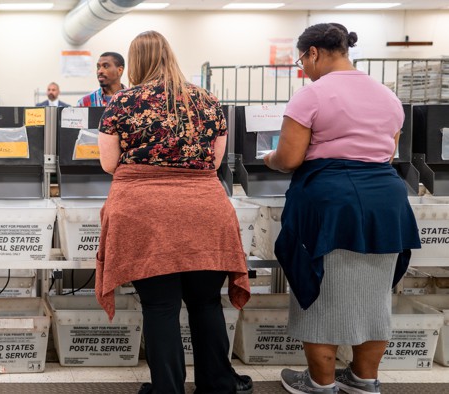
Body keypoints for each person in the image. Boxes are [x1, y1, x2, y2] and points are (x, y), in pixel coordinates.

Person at [263, 23, 420, 394]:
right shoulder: (388, 96)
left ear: (314, 52)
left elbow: (289, 159)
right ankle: (365, 380)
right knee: (374, 295)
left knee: (320, 291)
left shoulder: (311, 95)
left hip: (331, 202)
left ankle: (320, 383)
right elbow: (387, 153)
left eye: (302, 59)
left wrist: (269, 157)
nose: (303, 67)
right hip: (386, 201)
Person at [95, 30, 253, 394]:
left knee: (160, 306)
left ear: (133, 63)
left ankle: (168, 389)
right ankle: (217, 385)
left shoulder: (122, 103)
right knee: (205, 303)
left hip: (143, 213)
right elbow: (214, 162)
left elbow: (109, 163)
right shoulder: (207, 100)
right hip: (204, 210)